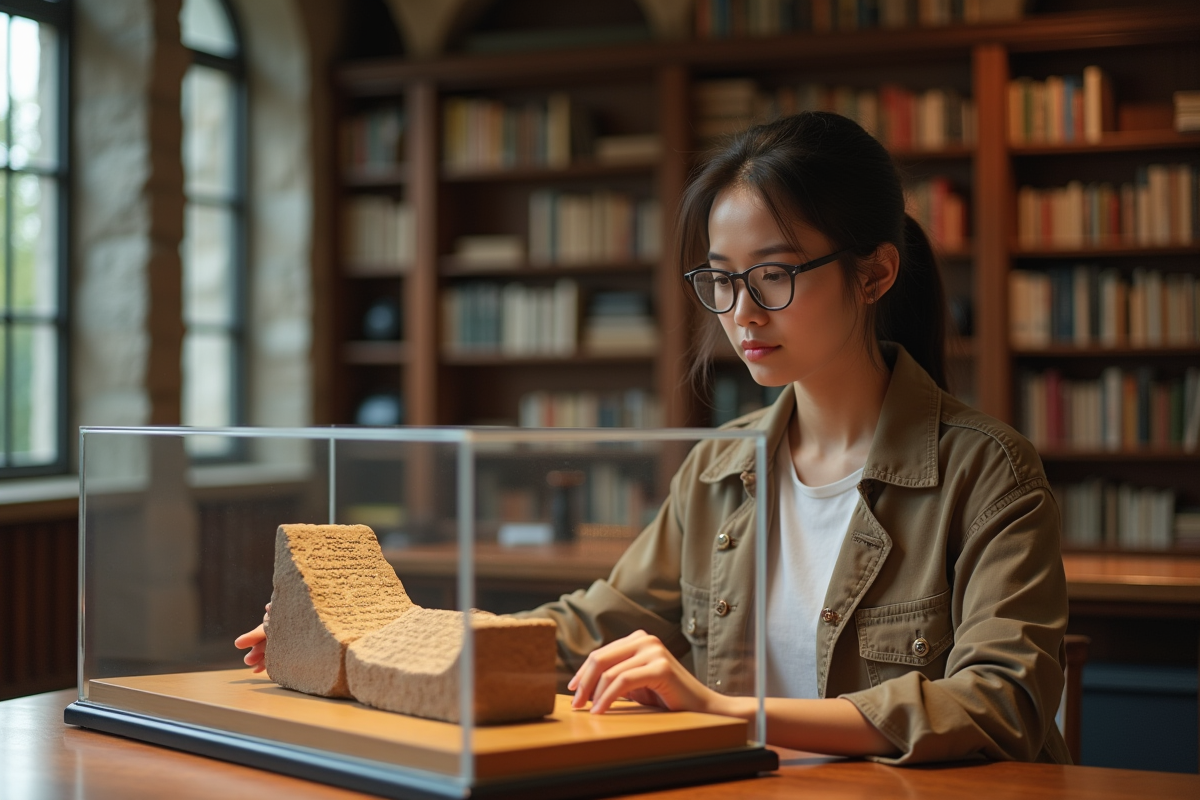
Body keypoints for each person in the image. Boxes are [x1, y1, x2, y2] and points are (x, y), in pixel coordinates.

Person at [237, 111, 1069, 765]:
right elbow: (584, 627)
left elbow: (1004, 702)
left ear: (874, 273)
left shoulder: (986, 470)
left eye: (774, 274)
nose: (742, 311)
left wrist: (727, 711)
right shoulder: (721, 466)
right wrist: (373, 641)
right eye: (721, 277)